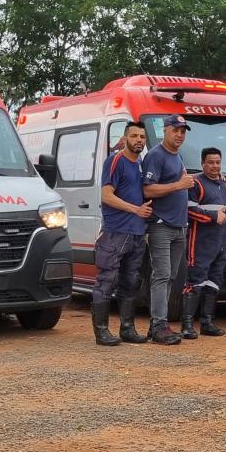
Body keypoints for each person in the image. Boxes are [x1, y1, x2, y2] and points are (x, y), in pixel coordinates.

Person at [90, 122, 153, 346]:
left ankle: (127, 328)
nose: (139, 140)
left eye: (142, 137)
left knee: (131, 282)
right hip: (115, 232)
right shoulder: (115, 160)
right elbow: (106, 196)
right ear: (125, 138)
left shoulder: (141, 164)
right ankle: (101, 331)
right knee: (106, 281)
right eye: (134, 136)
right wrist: (136, 210)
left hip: (137, 233)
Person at [141, 115, 195, 344]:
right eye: (176, 130)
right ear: (165, 131)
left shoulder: (177, 156)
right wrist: (178, 185)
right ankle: (158, 326)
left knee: (171, 277)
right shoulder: (156, 155)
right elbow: (148, 190)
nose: (180, 135)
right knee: (161, 275)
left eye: (183, 131)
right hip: (161, 225)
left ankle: (159, 323)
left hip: (178, 226)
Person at [180, 147, 226, 339]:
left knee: (214, 283)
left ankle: (207, 323)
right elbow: (188, 210)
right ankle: (187, 325)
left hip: (222, 243)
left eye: (218, 162)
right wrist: (212, 216)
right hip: (200, 243)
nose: (215, 166)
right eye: (210, 162)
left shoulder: (224, 183)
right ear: (202, 163)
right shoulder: (196, 183)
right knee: (195, 282)